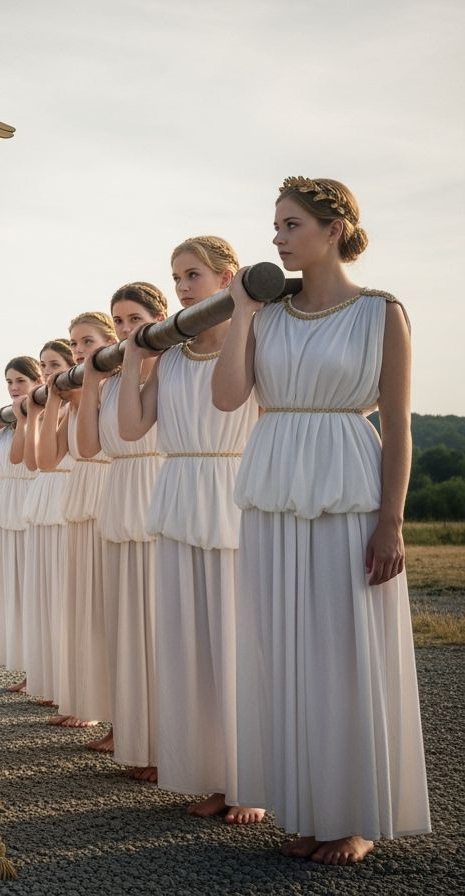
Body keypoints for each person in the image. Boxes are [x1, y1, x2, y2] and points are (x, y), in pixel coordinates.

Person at [213, 177, 430, 864]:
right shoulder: (269, 313)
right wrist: (243, 313)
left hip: (347, 484)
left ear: (334, 228)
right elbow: (226, 399)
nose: (276, 237)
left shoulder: (380, 311)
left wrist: (390, 522)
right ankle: (307, 808)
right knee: (284, 647)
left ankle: (353, 815)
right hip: (275, 484)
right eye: (275, 225)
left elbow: (397, 426)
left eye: (290, 223)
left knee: (341, 648)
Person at [116, 237, 262, 823]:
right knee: (192, 646)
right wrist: (133, 359)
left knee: (235, 642)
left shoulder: (255, 341)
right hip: (176, 493)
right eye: (176, 277)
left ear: (226, 278)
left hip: (229, 494)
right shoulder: (170, 356)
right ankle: (212, 773)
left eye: (192, 276)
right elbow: (130, 428)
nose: (181, 288)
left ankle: (249, 778)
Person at [78, 283, 168, 778]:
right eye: (119, 322)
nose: (127, 330)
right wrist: (92, 379)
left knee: (157, 626)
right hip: (118, 492)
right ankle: (135, 734)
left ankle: (165, 742)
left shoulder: (173, 366)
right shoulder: (112, 384)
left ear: (159, 317)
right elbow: (89, 447)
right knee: (126, 626)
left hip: (156, 488)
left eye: (135, 319)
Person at [39, 312, 117, 731]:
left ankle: (122, 720)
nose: (79, 352)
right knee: (84, 610)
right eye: (74, 345)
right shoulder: (74, 401)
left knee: (109, 612)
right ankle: (90, 702)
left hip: (109, 496)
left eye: (87, 342)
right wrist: (54, 400)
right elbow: (47, 460)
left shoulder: (118, 388)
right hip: (78, 503)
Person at [19, 340, 75, 709]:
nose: (47, 372)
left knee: (70, 600)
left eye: (54, 364)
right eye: (43, 366)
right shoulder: (53, 407)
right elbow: (31, 460)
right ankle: (54, 679)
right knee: (50, 597)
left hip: (72, 495)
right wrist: (31, 416)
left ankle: (72, 690)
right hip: (47, 494)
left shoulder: (75, 404)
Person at [0, 357, 40, 687]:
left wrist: (24, 419)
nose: (14, 388)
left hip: (29, 504)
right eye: (9, 382)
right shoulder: (3, 427)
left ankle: (42, 669)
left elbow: (20, 459)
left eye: (21, 381)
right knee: (11, 592)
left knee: (32, 591)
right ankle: (29, 669)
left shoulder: (38, 418)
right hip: (4, 506)